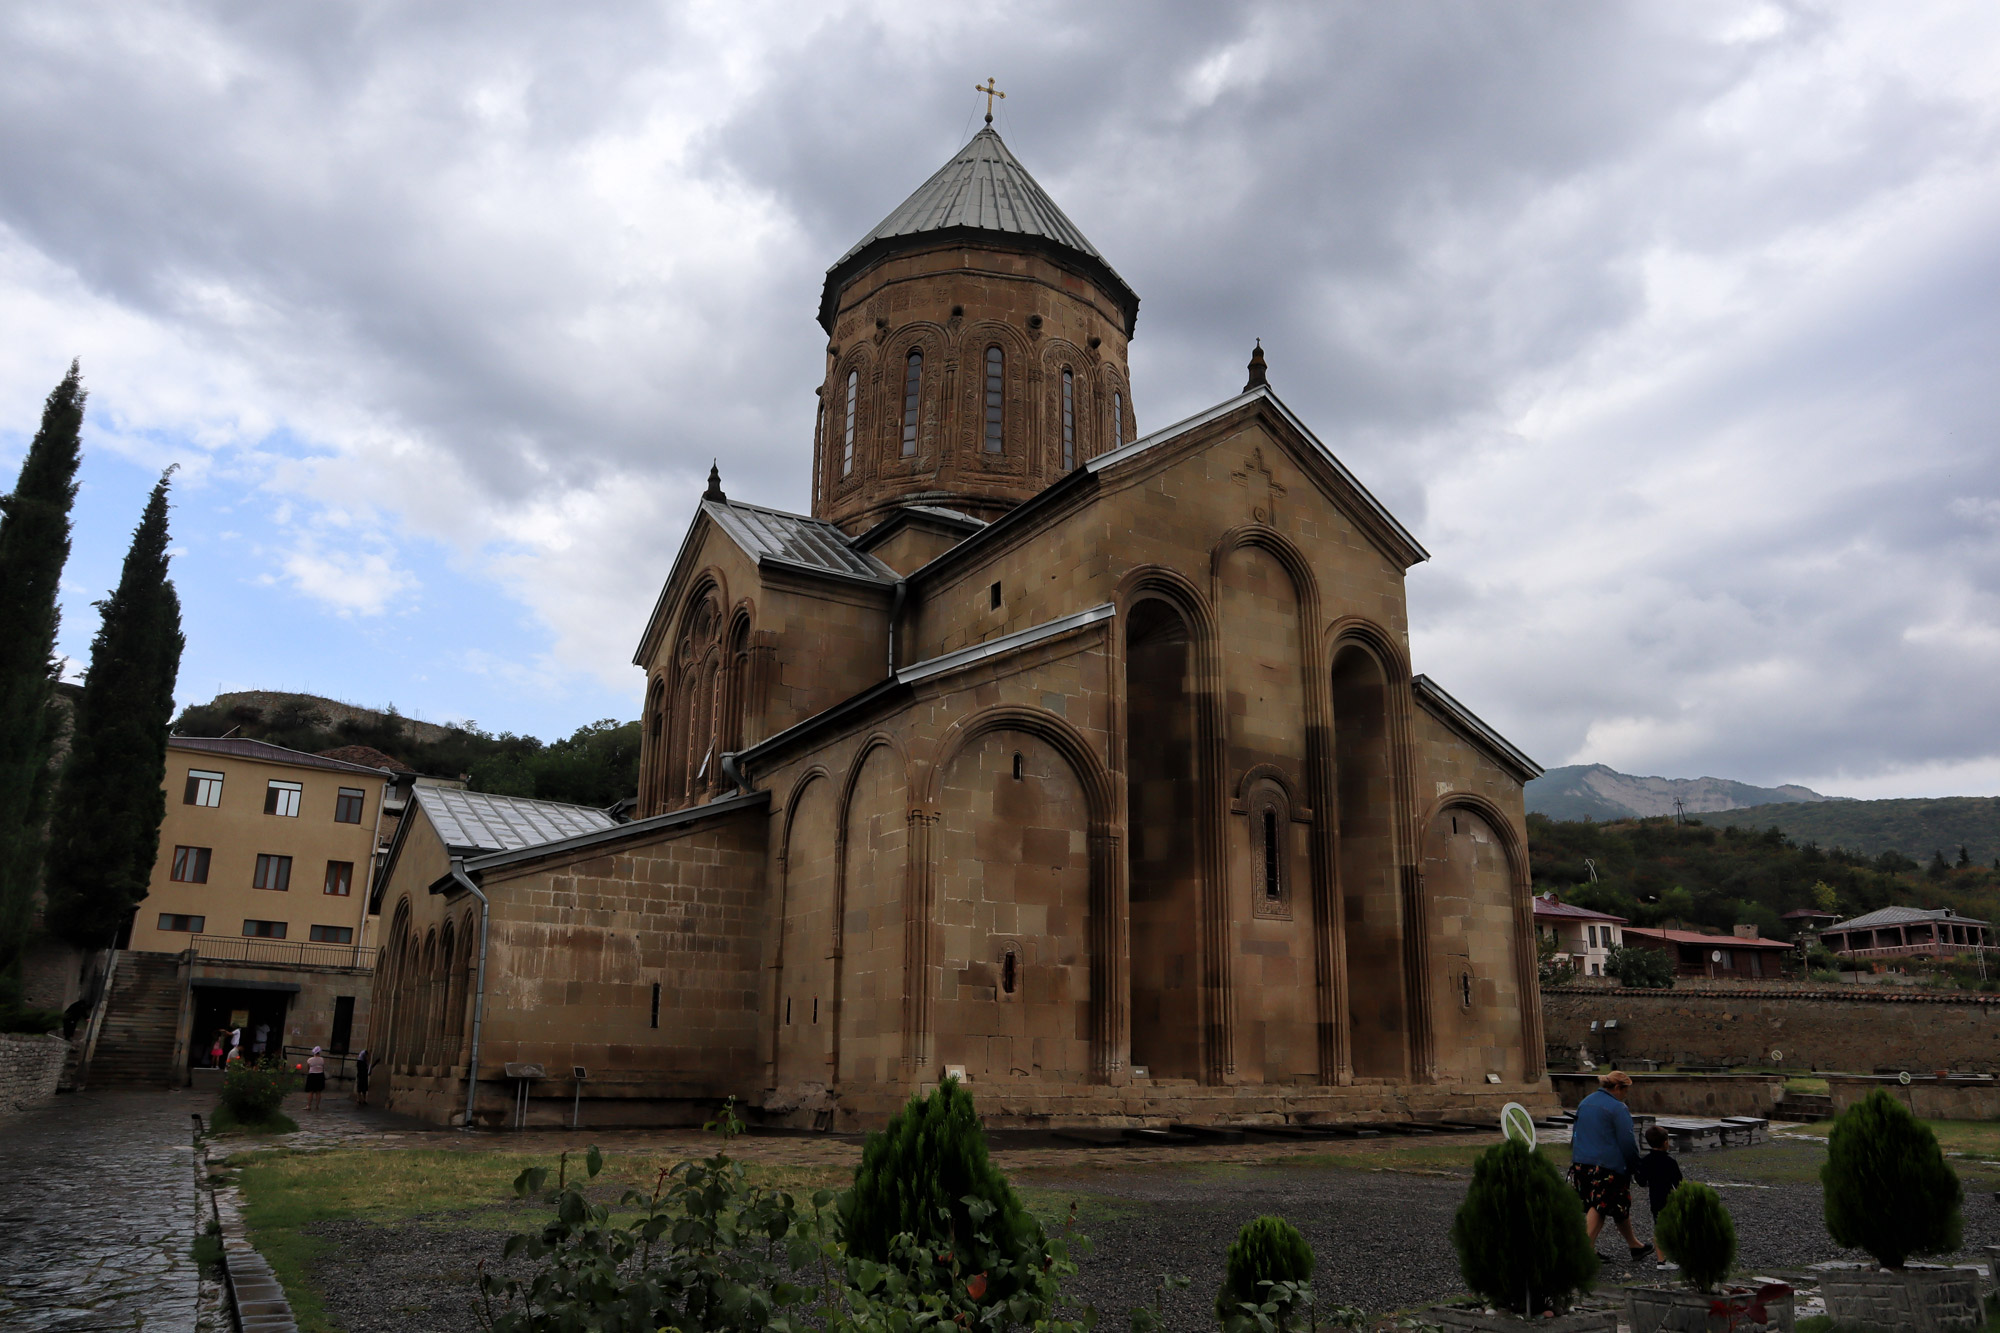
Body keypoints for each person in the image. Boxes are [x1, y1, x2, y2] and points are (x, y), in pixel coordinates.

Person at [1567, 1069, 1649, 1262]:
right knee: (1600, 1206)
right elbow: (1627, 1142)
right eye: (1626, 1091)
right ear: (1618, 1087)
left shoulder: (1585, 1102)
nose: (1626, 1095)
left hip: (1581, 1162)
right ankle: (1583, 1250)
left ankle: (1635, 1245)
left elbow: (1576, 1133)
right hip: (1607, 1165)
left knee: (1618, 1205)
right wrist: (1636, 1166)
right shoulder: (1617, 1108)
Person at [1634, 1122, 1685, 1267]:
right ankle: (1671, 1257)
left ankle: (1660, 1259)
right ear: (1665, 1142)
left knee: (1658, 1227)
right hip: (1669, 1198)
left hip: (1655, 1198)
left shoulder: (1646, 1161)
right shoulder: (1670, 1161)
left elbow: (1641, 1181)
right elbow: (1679, 1182)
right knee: (1672, 1227)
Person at [304, 1046, 327, 1111]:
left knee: (311, 1092)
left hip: (312, 1075)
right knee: (318, 1091)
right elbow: (322, 1067)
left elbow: (308, 1067)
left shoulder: (310, 1059)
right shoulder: (322, 1059)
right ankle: (317, 1106)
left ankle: (308, 1105)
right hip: (320, 1076)